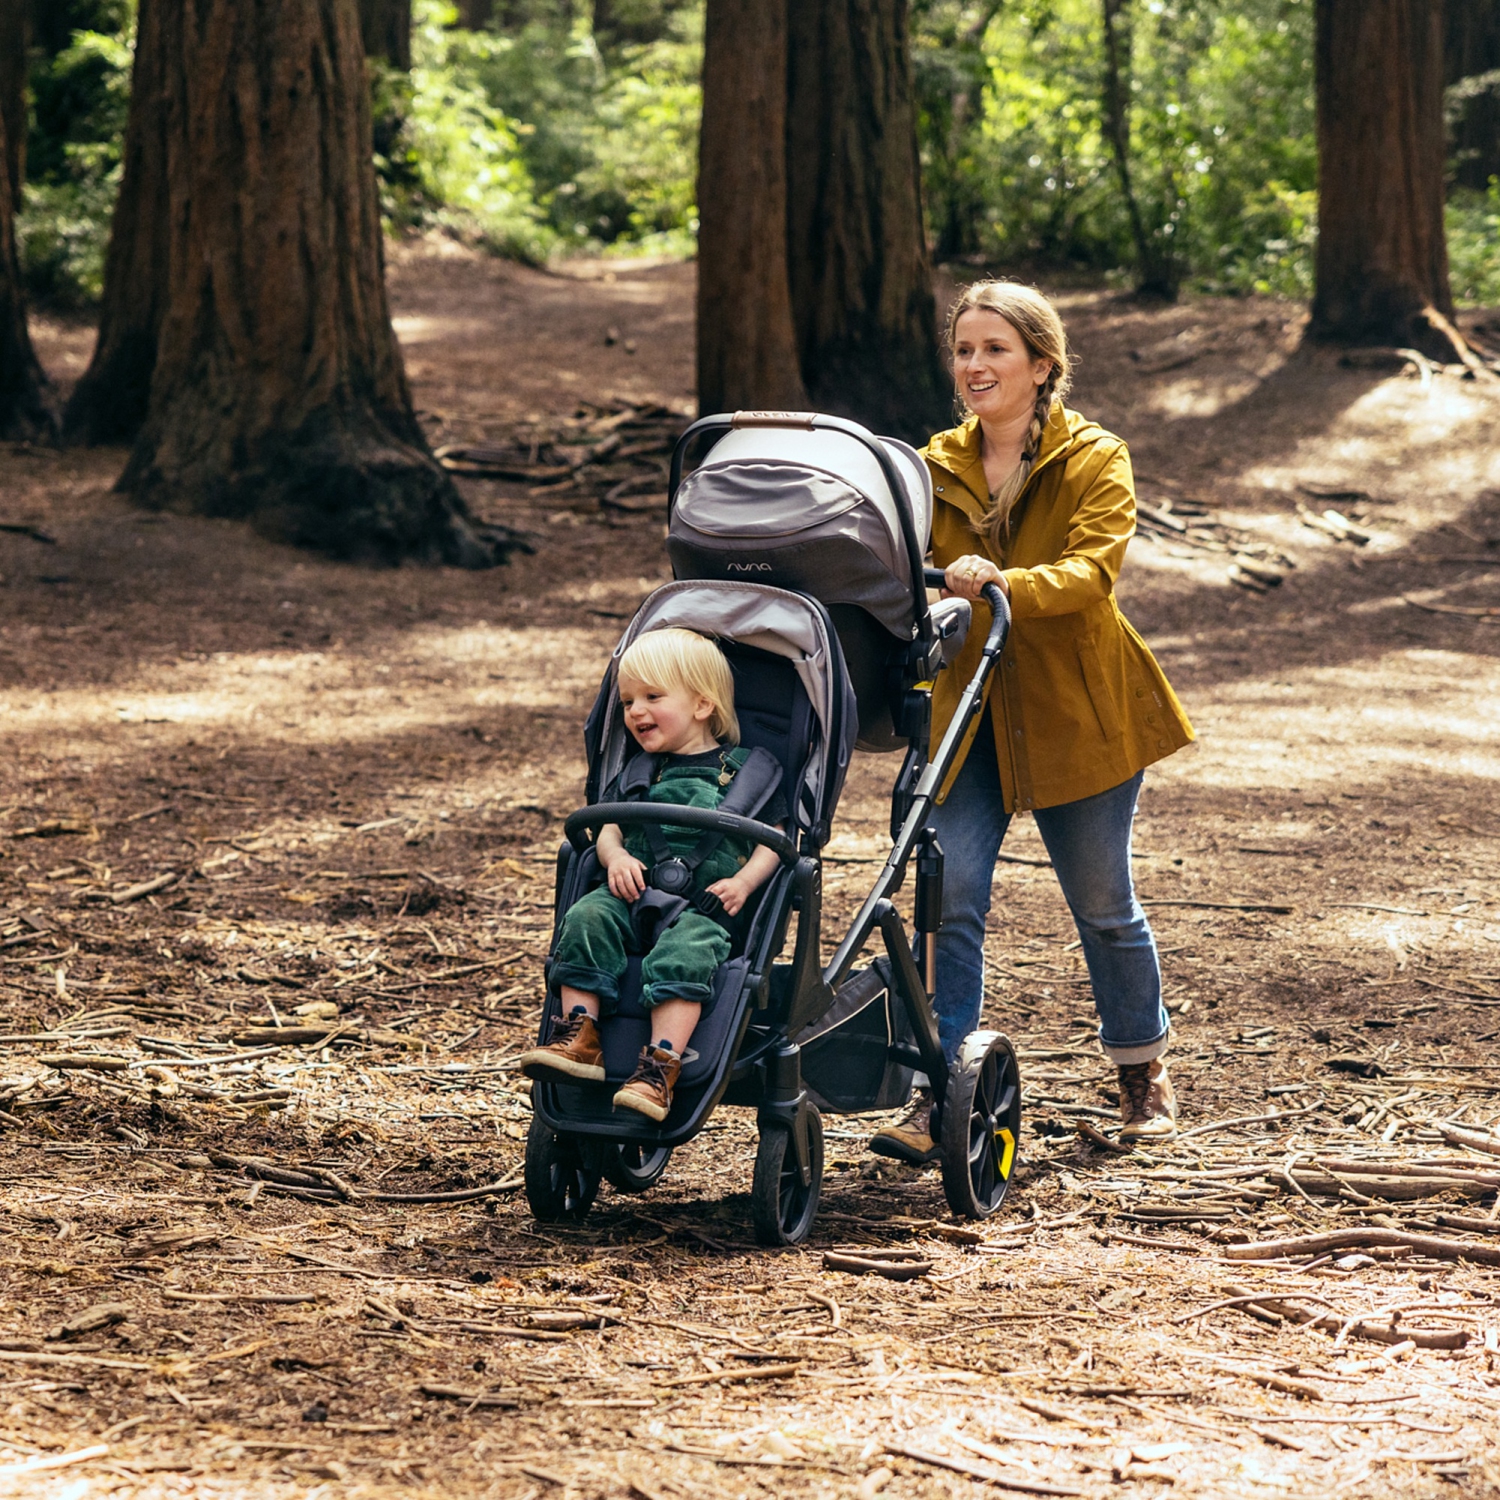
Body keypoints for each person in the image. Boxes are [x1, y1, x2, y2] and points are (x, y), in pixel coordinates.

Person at [870, 279, 1194, 1162]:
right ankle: (939, 1093)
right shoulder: (930, 466)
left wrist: (1005, 582)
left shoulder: (1096, 457)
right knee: (951, 896)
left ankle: (1142, 1070)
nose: (974, 366)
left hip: (1077, 712)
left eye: (994, 351)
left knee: (1102, 902)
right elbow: (898, 576)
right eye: (963, 351)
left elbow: (1094, 573)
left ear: (1041, 365)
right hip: (966, 713)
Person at [521, 628, 786, 1122]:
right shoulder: (641, 770)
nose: (635, 712)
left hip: (705, 907)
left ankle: (659, 1068)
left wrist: (745, 882)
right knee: (584, 919)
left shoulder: (749, 772)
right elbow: (609, 828)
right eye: (626, 702)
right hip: (629, 892)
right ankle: (578, 1037)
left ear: (703, 705)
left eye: (652, 697)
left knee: (684, 957)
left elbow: (775, 841)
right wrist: (615, 857)